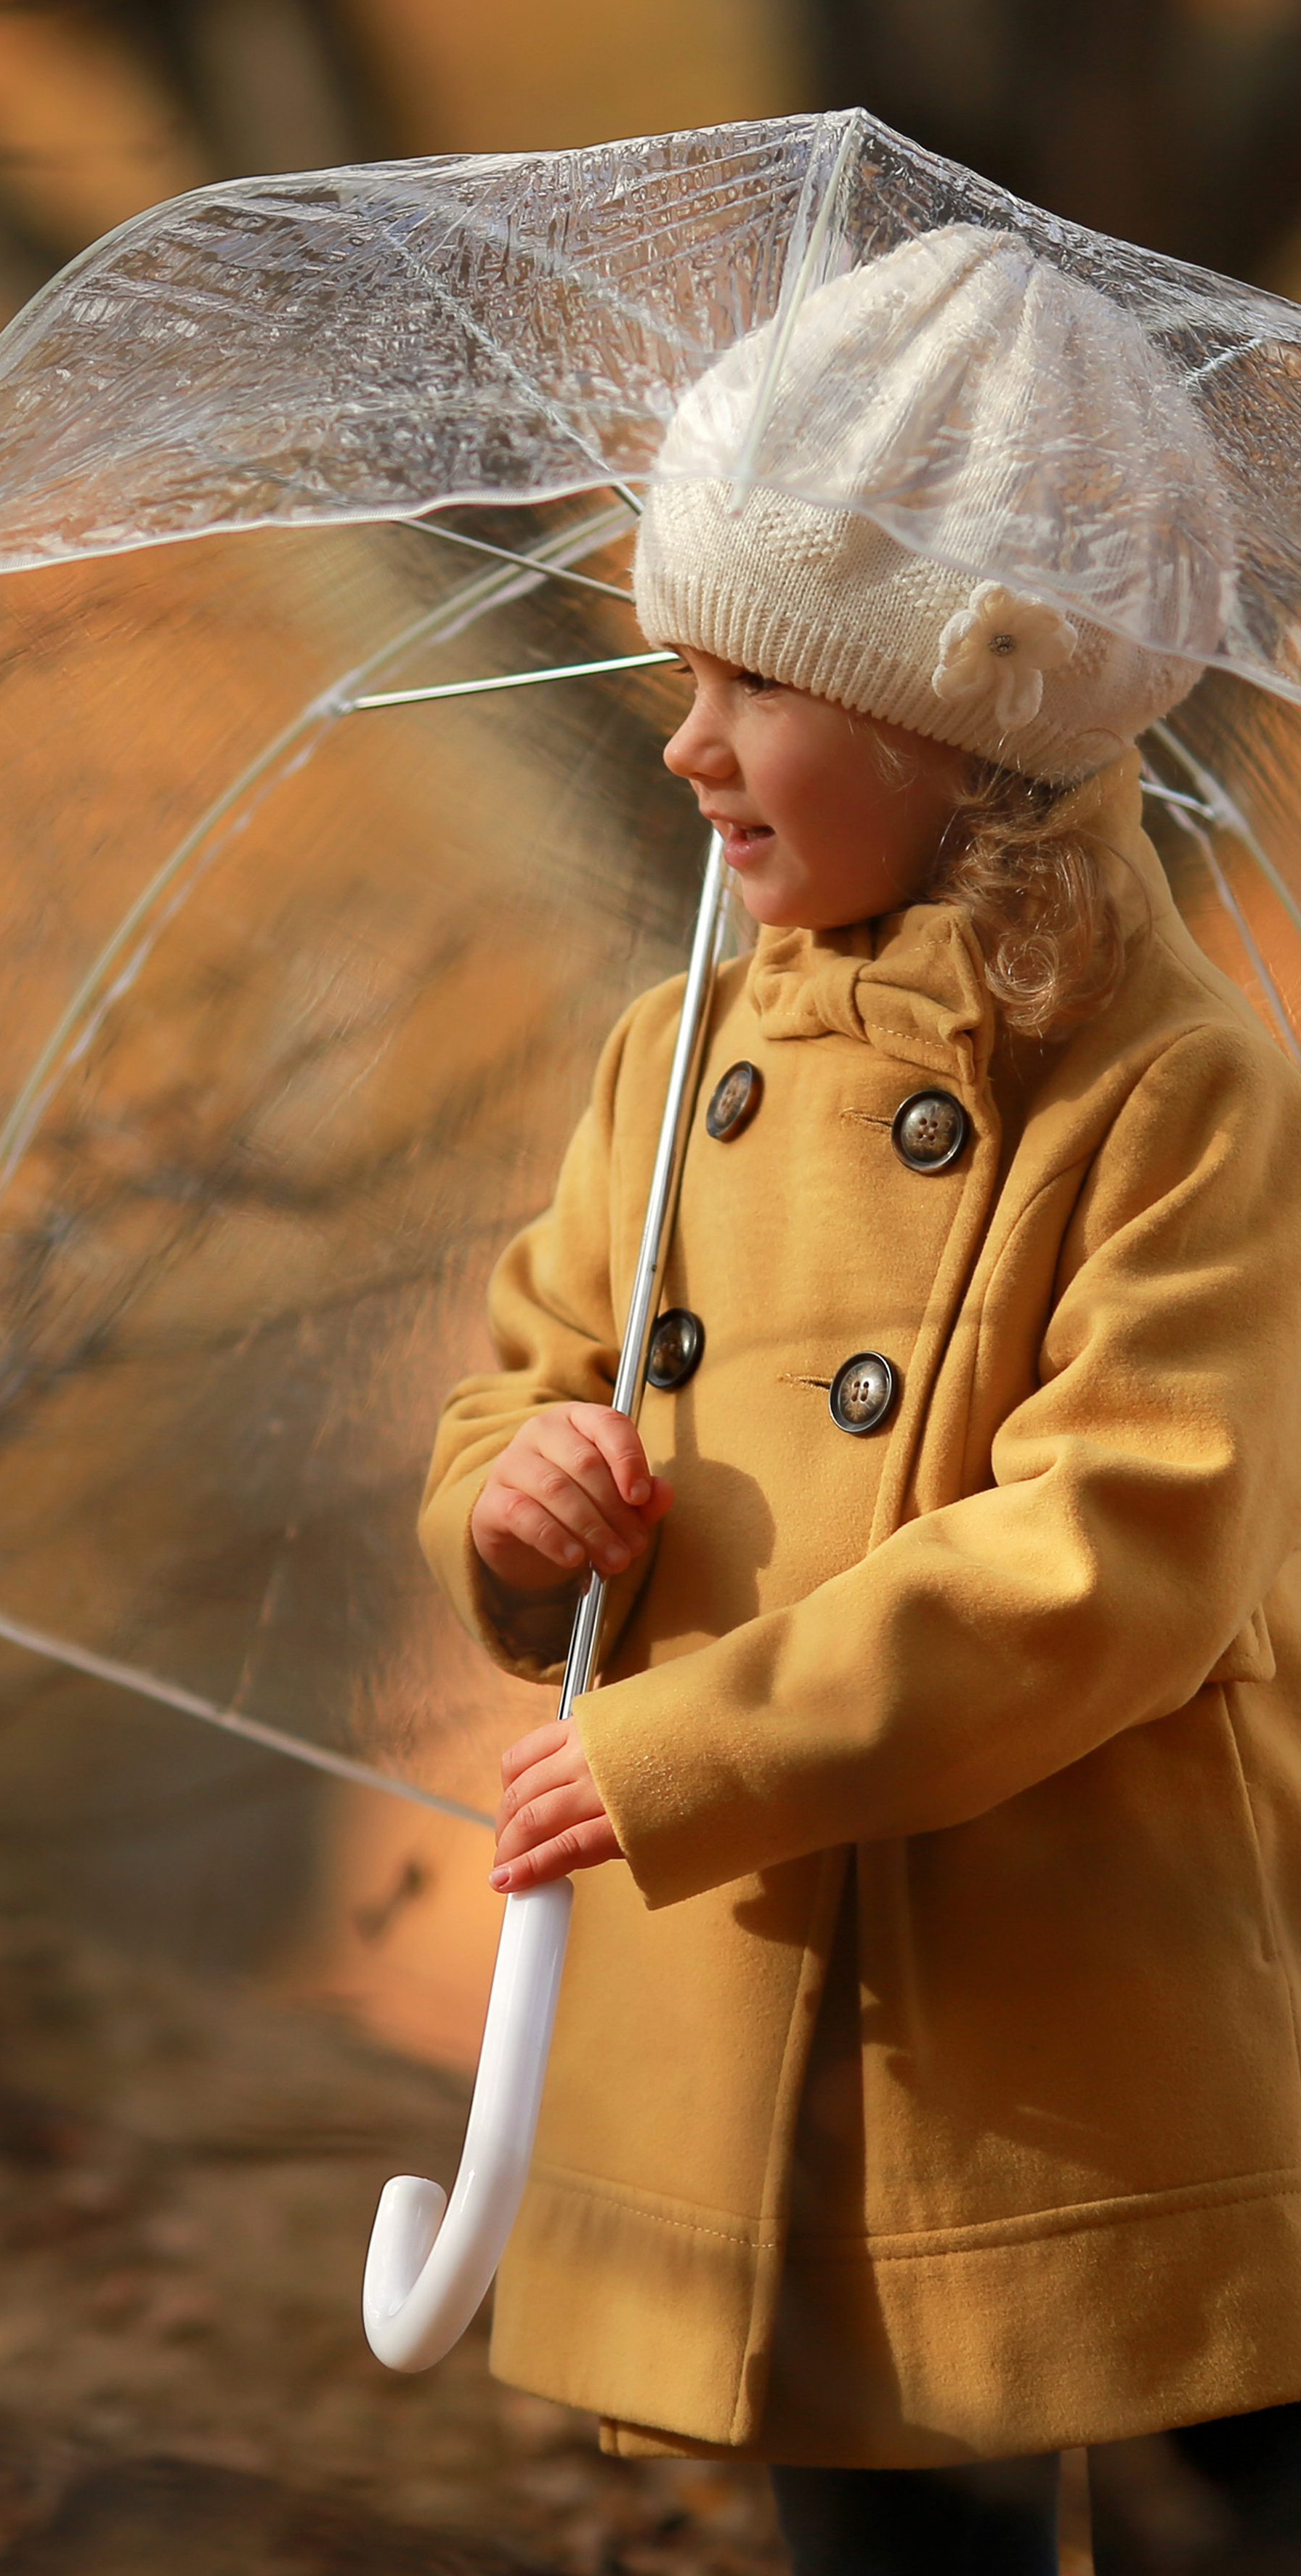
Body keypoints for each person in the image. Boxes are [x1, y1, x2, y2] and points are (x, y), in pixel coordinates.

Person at [417, 227, 1301, 2574]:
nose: (683, 739)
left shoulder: (1180, 1086)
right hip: (769, 1972)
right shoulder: (674, 1049)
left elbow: (1118, 1552)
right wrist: (517, 1512)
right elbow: (532, 1362)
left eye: (750, 682)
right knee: (884, 2515)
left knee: (1238, 2442)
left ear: (953, 714)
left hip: (1075, 2001)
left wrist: (692, 1746)